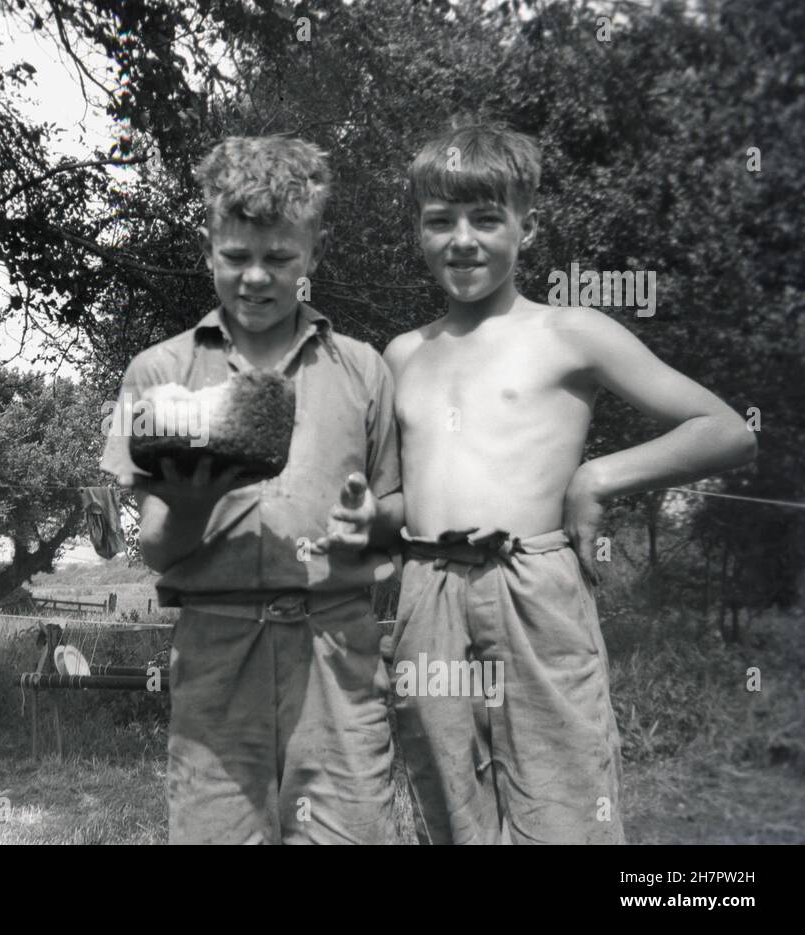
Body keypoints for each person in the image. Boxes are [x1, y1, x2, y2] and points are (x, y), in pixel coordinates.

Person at [384, 121, 758, 844]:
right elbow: (400, 498)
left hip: (534, 587)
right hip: (427, 597)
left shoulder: (571, 330)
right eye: (440, 220)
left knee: (565, 805)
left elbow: (725, 428)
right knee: (450, 807)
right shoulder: (403, 354)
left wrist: (599, 475)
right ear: (419, 229)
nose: (463, 239)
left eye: (487, 218)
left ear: (528, 225)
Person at [101, 135, 404, 844]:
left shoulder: (363, 369)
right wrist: (194, 503)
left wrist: (372, 526)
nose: (257, 278)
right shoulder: (159, 373)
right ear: (209, 249)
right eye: (236, 257)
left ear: (314, 257)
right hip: (216, 649)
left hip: (338, 650)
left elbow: (394, 514)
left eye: (280, 259)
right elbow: (158, 551)